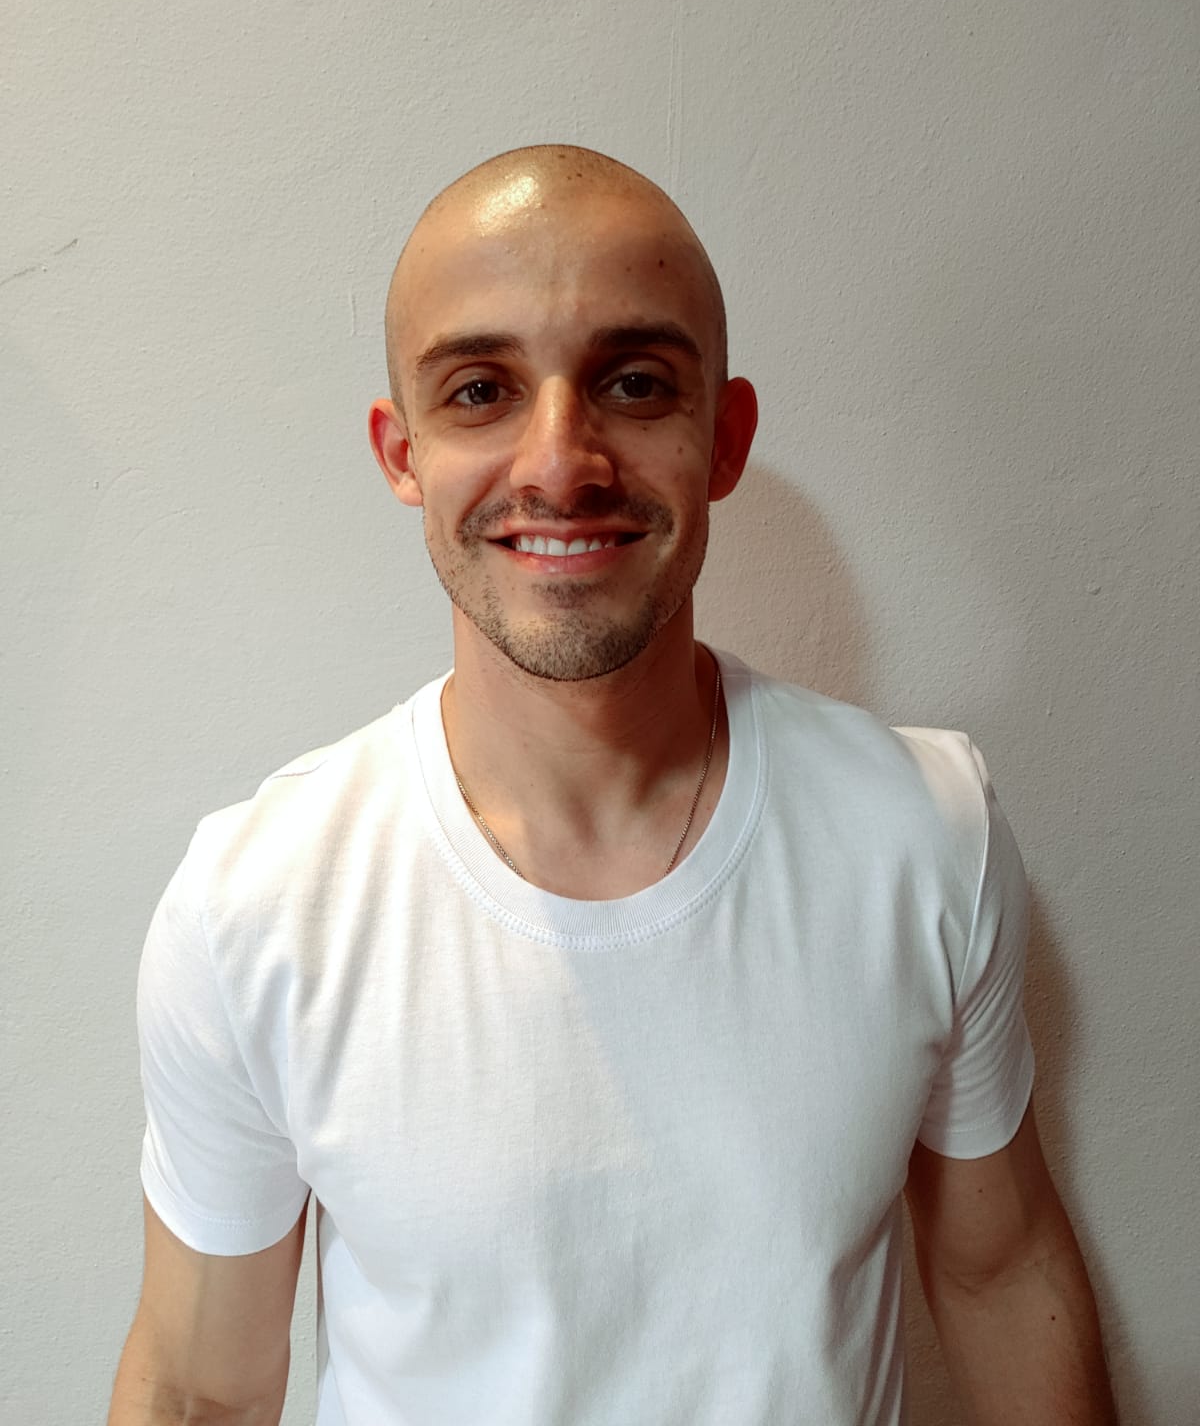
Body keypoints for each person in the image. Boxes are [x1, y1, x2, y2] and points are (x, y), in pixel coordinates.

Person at [107, 145, 1118, 1425]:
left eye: (633, 382)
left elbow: (997, 1272)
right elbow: (199, 1388)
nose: (558, 462)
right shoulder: (255, 907)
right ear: (402, 453)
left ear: (724, 438)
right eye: (480, 390)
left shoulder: (924, 831)